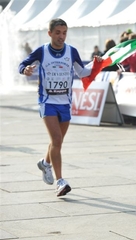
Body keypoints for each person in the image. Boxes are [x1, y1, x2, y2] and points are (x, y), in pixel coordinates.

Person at [18, 18, 103, 197]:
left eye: (64, 33)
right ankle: (60, 181)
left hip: (65, 103)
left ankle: (45, 163)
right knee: (56, 140)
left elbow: (82, 72)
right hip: (47, 102)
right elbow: (22, 64)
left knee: (57, 142)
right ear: (50, 33)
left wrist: (96, 65)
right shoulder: (41, 51)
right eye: (57, 33)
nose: (61, 36)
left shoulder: (71, 51)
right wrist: (25, 70)